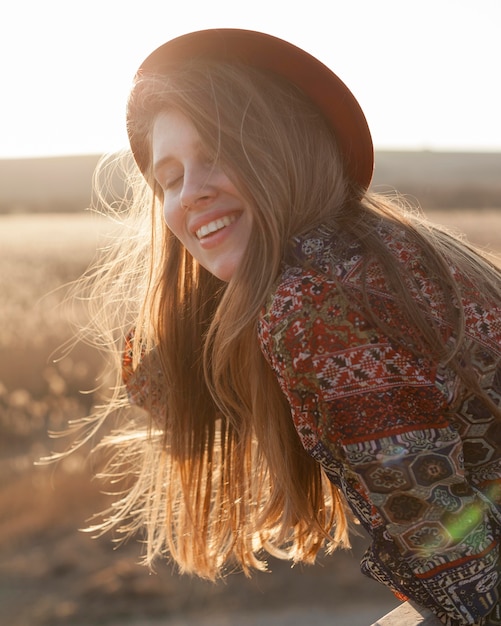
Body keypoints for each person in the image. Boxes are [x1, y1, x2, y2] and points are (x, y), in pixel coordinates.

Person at [76, 29, 501, 626]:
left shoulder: (315, 302)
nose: (190, 193)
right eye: (168, 179)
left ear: (286, 151)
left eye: (219, 153)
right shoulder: (377, 251)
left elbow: (464, 577)